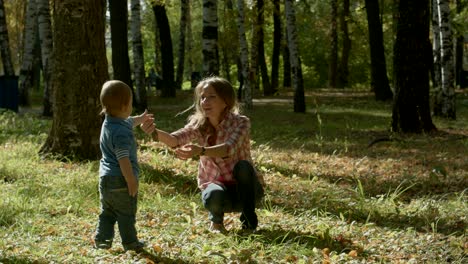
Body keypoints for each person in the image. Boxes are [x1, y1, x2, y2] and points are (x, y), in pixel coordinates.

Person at [141, 76, 264, 233]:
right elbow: (175, 139)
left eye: (212, 96)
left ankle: (249, 224)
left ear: (226, 101)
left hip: (248, 193)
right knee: (213, 193)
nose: (205, 101)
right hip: (220, 193)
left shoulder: (241, 122)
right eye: (202, 97)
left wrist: (201, 150)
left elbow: (228, 149)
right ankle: (216, 223)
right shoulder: (198, 124)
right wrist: (154, 132)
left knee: (244, 167)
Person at [94, 80, 151, 251]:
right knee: (126, 214)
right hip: (121, 179)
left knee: (108, 212)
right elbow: (123, 159)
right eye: (131, 103)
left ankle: (102, 240)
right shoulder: (121, 134)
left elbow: (128, 121)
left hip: (105, 179)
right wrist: (131, 180)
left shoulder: (110, 122)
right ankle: (130, 242)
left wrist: (140, 119)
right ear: (126, 105)